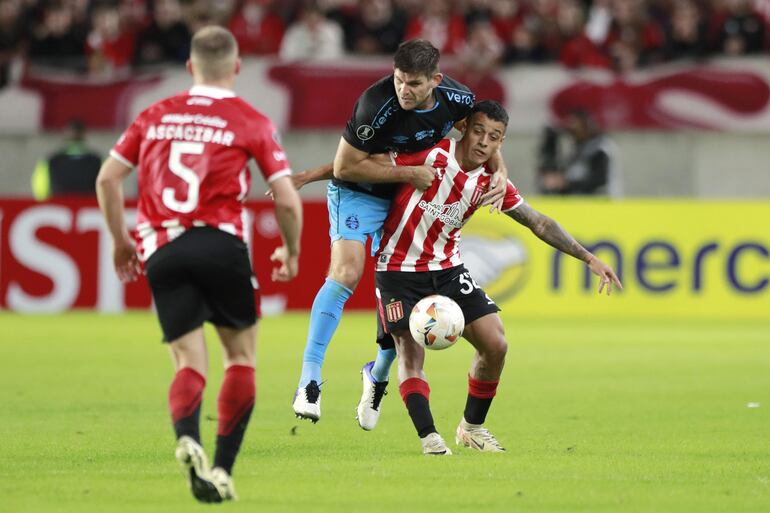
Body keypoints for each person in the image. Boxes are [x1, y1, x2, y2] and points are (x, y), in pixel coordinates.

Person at [96, 26, 302, 502]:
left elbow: (108, 179)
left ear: (190, 68)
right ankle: (224, 469)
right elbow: (288, 202)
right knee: (240, 358)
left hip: (163, 251)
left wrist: (120, 241)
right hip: (221, 245)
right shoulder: (249, 119)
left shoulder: (154, 114)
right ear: (236, 67)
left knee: (190, 362)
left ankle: (188, 434)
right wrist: (291, 251)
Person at [358, 100, 621, 453]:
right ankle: (429, 437)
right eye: (479, 131)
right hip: (397, 269)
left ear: (501, 143)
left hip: (448, 269)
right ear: (465, 128)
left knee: (496, 344)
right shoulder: (432, 153)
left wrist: (588, 257)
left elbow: (538, 221)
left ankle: (471, 428)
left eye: (494, 137)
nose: (483, 141)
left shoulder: (490, 182)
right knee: (410, 351)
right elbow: (369, 165)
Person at [290, 39, 509, 423]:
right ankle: (309, 380)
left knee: (407, 282)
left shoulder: (457, 99)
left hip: (405, 195)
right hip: (359, 192)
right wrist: (409, 173)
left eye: (414, 84)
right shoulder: (374, 105)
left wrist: (500, 169)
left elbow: (481, 131)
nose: (404, 91)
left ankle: (376, 375)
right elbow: (345, 167)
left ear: (435, 81)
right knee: (347, 272)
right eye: (399, 80)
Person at [537, 109, 622, 197]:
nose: (572, 131)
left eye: (576, 126)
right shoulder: (578, 147)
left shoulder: (600, 147)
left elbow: (599, 179)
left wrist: (566, 183)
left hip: (600, 201)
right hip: (578, 201)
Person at [31, 119, 102, 201]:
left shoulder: (52, 160)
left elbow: (40, 189)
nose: (75, 134)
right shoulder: (97, 160)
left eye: (76, 131)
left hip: (63, 207)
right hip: (81, 207)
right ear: (84, 134)